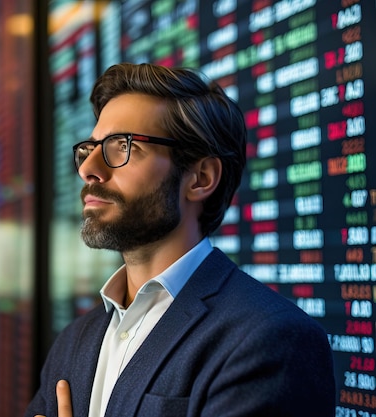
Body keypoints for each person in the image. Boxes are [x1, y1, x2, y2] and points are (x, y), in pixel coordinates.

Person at [25, 62, 336, 417]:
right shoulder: (74, 342)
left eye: (122, 145)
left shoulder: (273, 340)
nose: (88, 169)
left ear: (200, 178)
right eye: (91, 148)